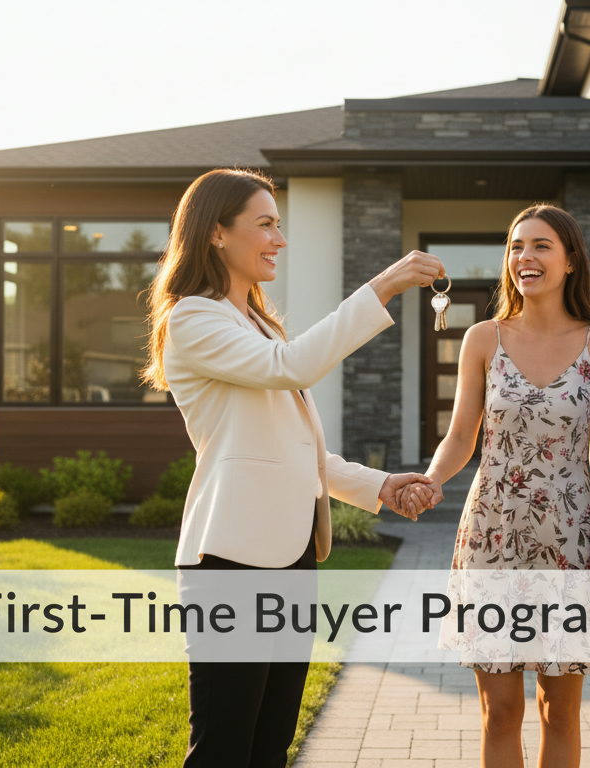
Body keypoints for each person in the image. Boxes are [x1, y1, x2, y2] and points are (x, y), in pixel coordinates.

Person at [141, 167, 442, 768]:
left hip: (290, 553)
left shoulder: (253, 322)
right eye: (265, 225)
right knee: (225, 748)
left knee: (271, 743)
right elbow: (293, 366)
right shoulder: (193, 318)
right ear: (217, 234)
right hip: (231, 559)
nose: (279, 238)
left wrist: (380, 485)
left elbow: (293, 450)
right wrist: (380, 287)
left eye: (279, 225)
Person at [403, 205, 590, 768]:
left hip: (570, 541)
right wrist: (429, 483)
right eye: (516, 246)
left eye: (541, 245)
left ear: (570, 259)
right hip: (492, 536)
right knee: (499, 712)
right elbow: (460, 439)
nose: (525, 257)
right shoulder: (483, 337)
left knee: (560, 710)